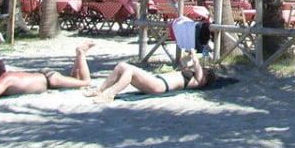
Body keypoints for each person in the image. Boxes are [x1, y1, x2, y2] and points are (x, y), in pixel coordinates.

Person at [0, 42, 96, 99]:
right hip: (45, 76)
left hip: (49, 79)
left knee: (85, 82)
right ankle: (79, 55)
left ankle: (80, 53)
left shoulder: (6, 80)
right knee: (77, 81)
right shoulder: (4, 78)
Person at [87, 48, 216, 102]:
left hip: (160, 86)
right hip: (156, 81)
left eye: (207, 70)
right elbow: (184, 63)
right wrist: (188, 57)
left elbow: (196, 64)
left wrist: (194, 56)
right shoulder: (192, 74)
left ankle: (110, 95)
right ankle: (100, 90)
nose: (205, 69)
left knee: (129, 72)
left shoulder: (199, 80)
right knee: (122, 66)